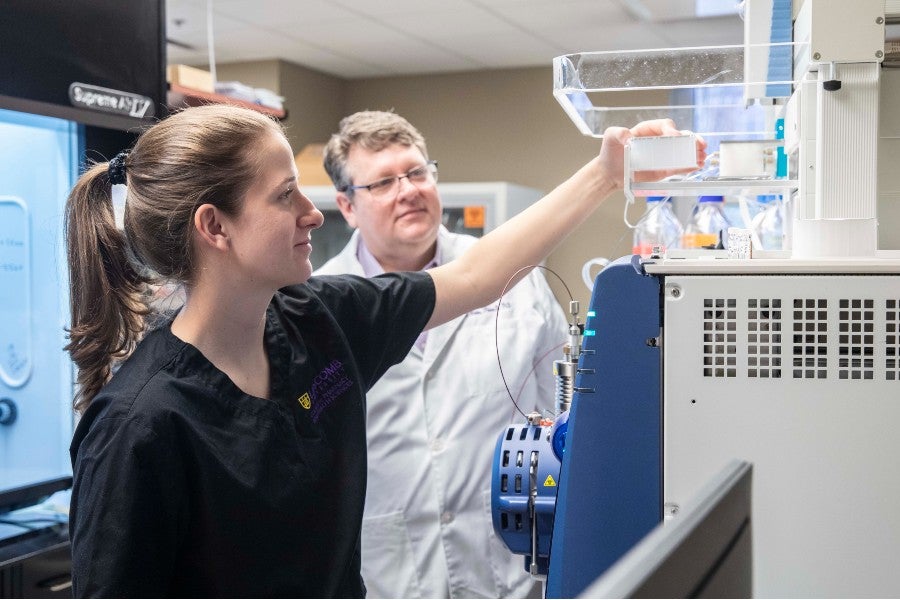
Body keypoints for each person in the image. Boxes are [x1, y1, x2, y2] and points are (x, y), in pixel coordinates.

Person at [64, 103, 705, 598]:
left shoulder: (321, 320)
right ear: (214, 227)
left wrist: (604, 173)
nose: (313, 215)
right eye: (285, 195)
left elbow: (476, 277)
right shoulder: (140, 425)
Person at [315, 110, 569, 598]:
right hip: (390, 571)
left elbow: (561, 414)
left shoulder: (515, 279)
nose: (408, 189)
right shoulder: (320, 303)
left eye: (416, 172)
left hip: (507, 567)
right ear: (347, 207)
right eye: (383, 182)